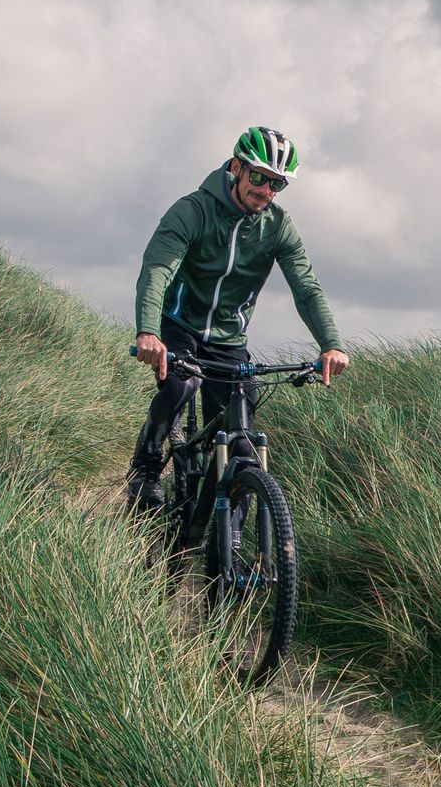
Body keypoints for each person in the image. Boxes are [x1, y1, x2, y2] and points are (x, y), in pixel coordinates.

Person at [127, 126, 349, 508]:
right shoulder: (193, 210)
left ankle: (226, 552)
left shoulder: (279, 226)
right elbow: (157, 271)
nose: (265, 191)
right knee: (181, 386)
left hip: (230, 341)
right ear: (237, 167)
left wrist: (331, 344)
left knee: (243, 443)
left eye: (277, 184)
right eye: (259, 177)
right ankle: (145, 464)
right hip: (180, 326)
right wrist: (148, 332)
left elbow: (306, 289)